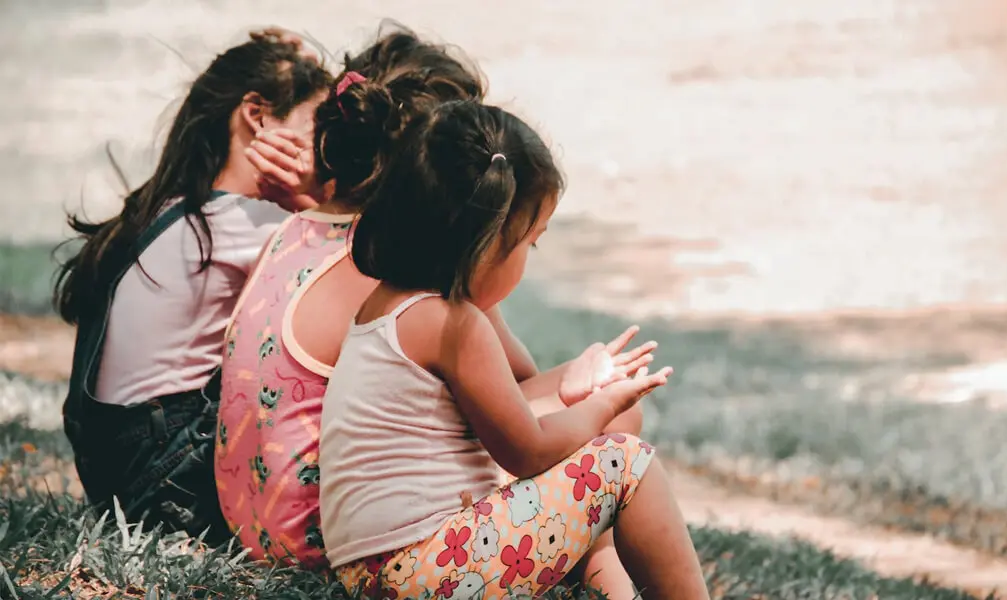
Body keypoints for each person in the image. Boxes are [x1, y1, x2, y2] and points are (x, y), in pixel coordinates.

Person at [221, 26, 653, 594]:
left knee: (593, 420)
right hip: (331, 540)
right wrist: (594, 402)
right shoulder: (401, 269)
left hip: (259, 522)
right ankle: (606, 584)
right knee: (616, 427)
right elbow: (512, 417)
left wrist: (575, 383)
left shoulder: (297, 230)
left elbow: (504, 387)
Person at [319, 100, 711, 599]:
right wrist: (603, 404)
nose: (528, 258)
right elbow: (528, 450)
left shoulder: (390, 305)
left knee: (602, 446)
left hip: (376, 573)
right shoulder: (454, 324)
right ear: (485, 243)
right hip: (426, 570)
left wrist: (576, 386)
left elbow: (509, 409)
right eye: (530, 243)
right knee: (624, 464)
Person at [52, 29, 331, 543]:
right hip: (170, 486)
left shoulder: (171, 209)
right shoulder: (248, 224)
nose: (323, 149)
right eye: (316, 126)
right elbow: (363, 275)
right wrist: (313, 200)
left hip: (120, 476)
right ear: (257, 115)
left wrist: (298, 67)